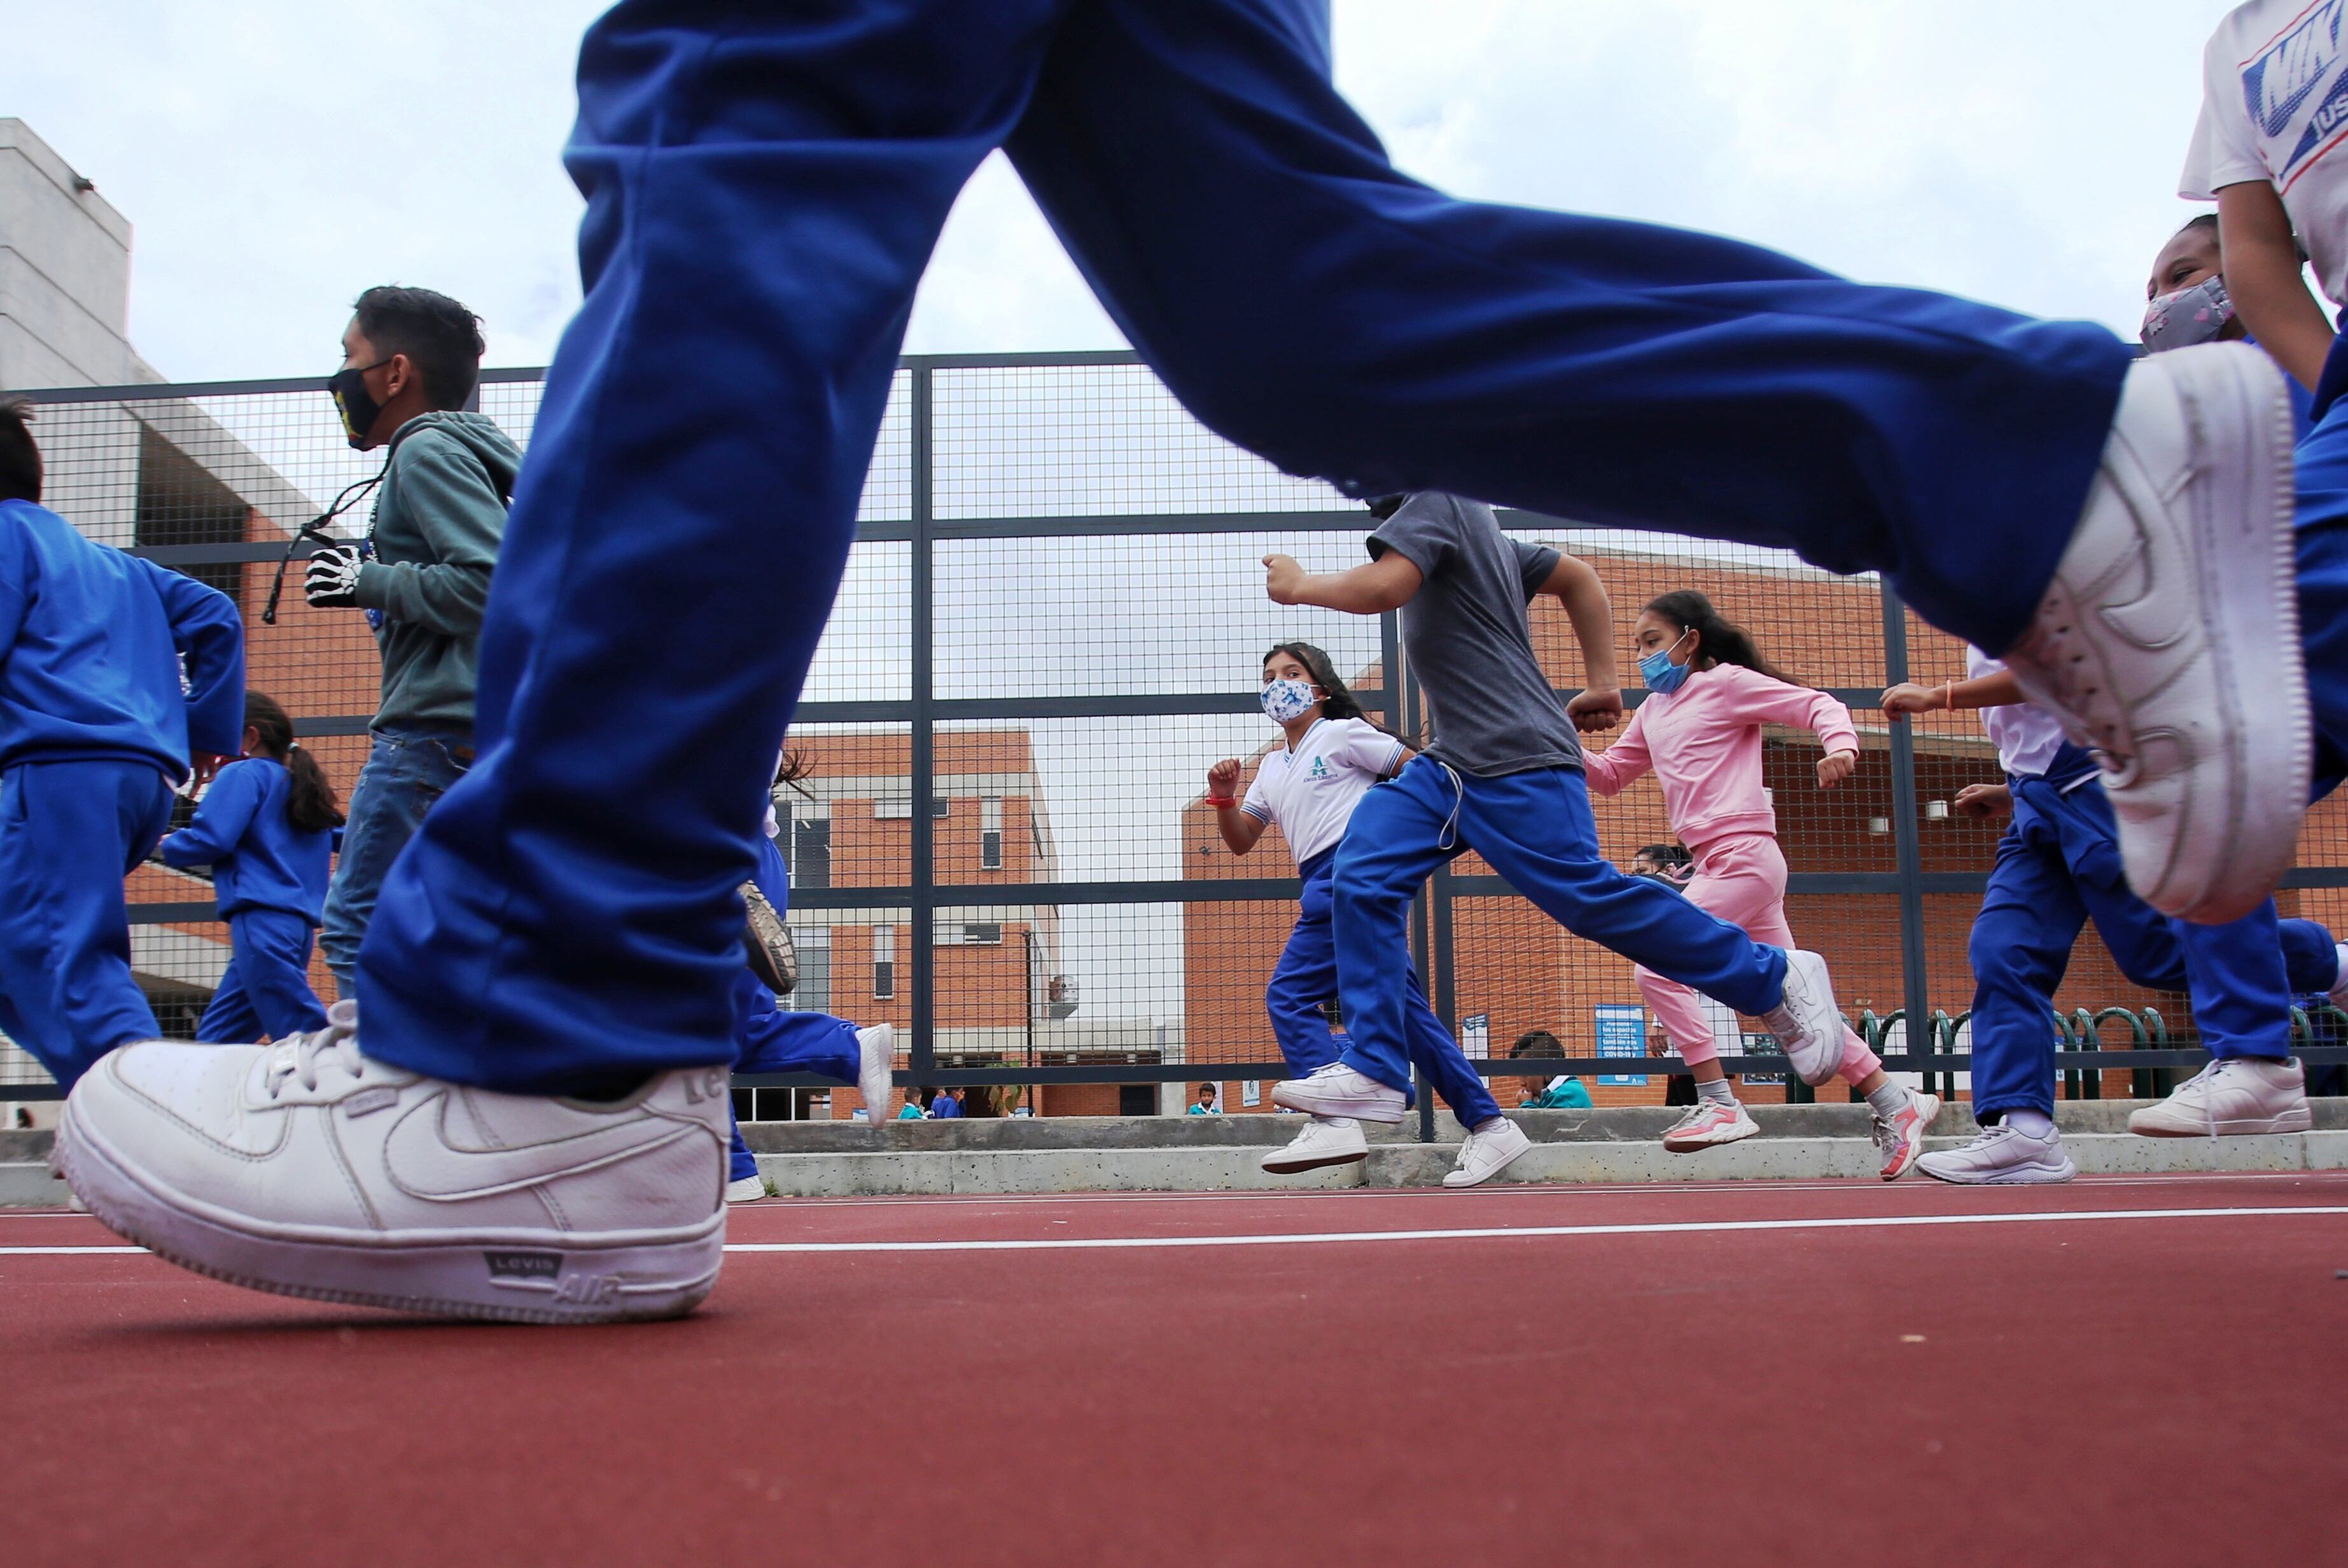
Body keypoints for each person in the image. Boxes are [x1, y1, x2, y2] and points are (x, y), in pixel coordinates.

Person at [60, 3, 2314, 1323]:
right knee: (1284, 291)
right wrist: (1294, 727)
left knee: (750, 101)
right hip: (1451, 779)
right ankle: (2034, 464)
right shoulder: (1386, 574)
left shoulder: (1442, 557)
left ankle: (552, 1040)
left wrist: (1613, 700)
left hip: (1529, 771)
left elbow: (1529, 589)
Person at [1264, 493, 1861, 1189]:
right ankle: (1372, 1066)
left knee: (1590, 900)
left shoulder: (1434, 495)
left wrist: (1300, 586)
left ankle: (1775, 975)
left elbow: (1386, 587)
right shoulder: (1477, 527)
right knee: (1360, 866)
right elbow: (1578, 576)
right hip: (1455, 765)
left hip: (1519, 757)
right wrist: (1604, 682)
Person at [1892, 657, 2347, 1182]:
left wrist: (1941, 696)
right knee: (2004, 950)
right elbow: (2035, 722)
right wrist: (2013, 790)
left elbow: (2060, 669)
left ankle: (2328, 963)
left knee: (2159, 955)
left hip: (2096, 785)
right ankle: (2024, 1130)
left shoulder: (2019, 582)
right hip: (2039, 800)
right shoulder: (1974, 599)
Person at [1581, 591, 1941, 1177]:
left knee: (1655, 964)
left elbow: (1817, 704)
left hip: (1744, 856)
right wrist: (1552, 742)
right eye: (1638, 646)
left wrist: (1841, 746)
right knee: (1795, 1005)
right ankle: (1896, 1102)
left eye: (1652, 642)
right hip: (1718, 864)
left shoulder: (1726, 685)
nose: (1643, 656)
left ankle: (1720, 1103)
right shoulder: (1652, 711)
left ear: (1688, 640)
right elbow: (1612, 775)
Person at [0, 399, 243, 1089]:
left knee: (69, 955)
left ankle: (158, 1119)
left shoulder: (4, 539)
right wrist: (207, 730)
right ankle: (107, 1107)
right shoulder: (112, 564)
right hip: (142, 782)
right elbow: (216, 614)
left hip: (63, 771)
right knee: (24, 945)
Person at [1206, 641, 1511, 1179]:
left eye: (1293, 673)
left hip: (1358, 872)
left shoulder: (1342, 734)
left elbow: (1418, 773)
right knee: (1410, 1019)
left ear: (1320, 688)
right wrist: (1224, 797)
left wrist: (1392, 841)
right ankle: (1490, 1125)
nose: (1280, 683)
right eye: (1270, 676)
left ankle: (1335, 1120)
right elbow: (1240, 842)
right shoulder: (1273, 767)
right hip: (1324, 882)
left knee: (1290, 993)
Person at [307, 287, 519, 997]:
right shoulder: (483, 460)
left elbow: (489, 586)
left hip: (427, 738)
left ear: (394, 373)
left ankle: (387, 1101)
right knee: (466, 940)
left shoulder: (426, 450)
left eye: (350, 357)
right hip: (483, 734)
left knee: (361, 931)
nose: (340, 377)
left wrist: (370, 581)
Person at [723, 750, 895, 1201]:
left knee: (689, 1023)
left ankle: (728, 1170)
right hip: (743, 854)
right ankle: (849, 1047)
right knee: (739, 1026)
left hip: (724, 855)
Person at [155, 692, 340, 1044]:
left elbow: (213, 838)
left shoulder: (243, 774)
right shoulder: (300, 785)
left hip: (261, 921)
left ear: (251, 737)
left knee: (303, 1029)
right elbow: (342, 834)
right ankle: (201, 1094)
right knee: (217, 1040)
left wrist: (163, 845)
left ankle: (344, 1083)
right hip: (296, 929)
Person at [1509, 1031, 1592, 1110]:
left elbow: (1541, 1125)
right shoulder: (1563, 1090)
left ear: (1546, 1069)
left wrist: (1527, 1105)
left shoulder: (1561, 1096)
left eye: (1525, 1074)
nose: (1522, 1083)